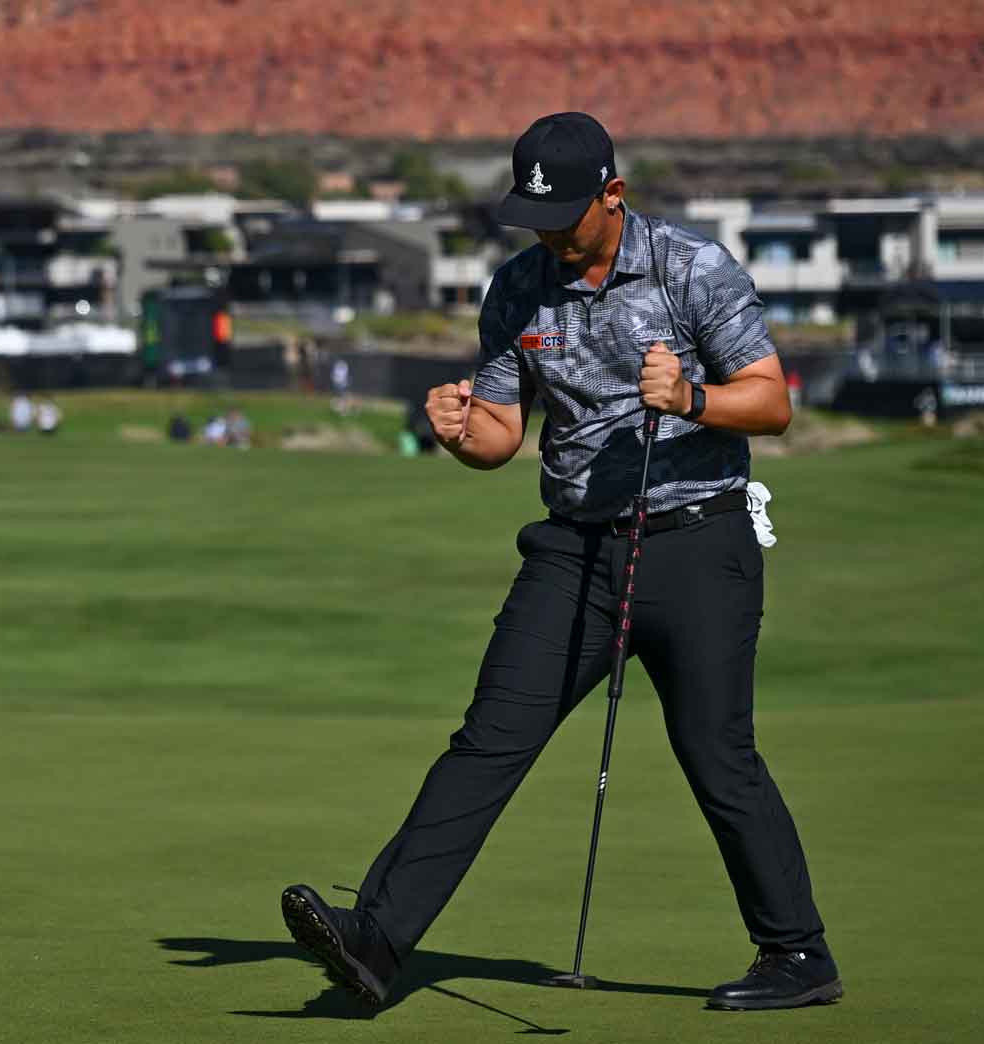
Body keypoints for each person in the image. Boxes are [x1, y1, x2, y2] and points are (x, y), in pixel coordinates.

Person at [281, 112, 840, 1014]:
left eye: (568, 215)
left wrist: (691, 396)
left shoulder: (693, 271)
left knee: (715, 753)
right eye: (535, 215)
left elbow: (772, 404)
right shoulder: (516, 288)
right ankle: (376, 940)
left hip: (698, 543)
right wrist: (461, 432)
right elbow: (503, 433)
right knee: (490, 739)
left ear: (613, 196)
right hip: (574, 552)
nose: (550, 234)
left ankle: (798, 955)